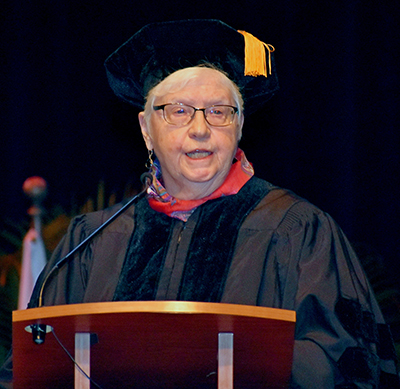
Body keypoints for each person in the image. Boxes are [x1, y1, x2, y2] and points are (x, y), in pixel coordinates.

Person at [1, 19, 399, 388]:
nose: (200, 130)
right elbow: (32, 367)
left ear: (240, 125)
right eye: (178, 111)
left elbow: (346, 361)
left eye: (219, 112)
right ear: (146, 130)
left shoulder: (297, 230)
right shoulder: (91, 241)